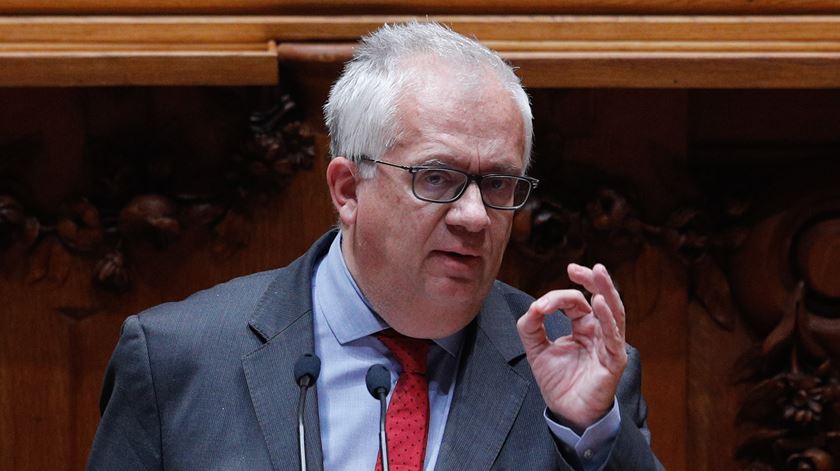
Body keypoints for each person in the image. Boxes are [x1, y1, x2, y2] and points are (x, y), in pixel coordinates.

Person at [88, 21, 664, 471]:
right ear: (346, 189)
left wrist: (589, 434)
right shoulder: (175, 360)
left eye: (498, 184)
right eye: (435, 178)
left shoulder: (579, 376)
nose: (474, 216)